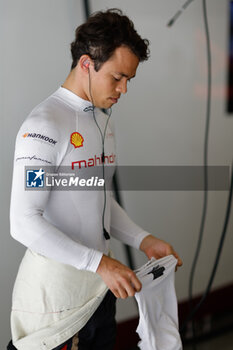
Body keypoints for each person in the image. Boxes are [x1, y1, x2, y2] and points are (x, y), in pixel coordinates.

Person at [8, 8, 182, 350]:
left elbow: (95, 197)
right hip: (56, 304)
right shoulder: (44, 126)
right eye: (118, 77)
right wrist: (100, 263)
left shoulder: (101, 120)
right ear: (87, 63)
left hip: (100, 292)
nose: (124, 89)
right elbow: (22, 222)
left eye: (129, 79)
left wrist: (143, 239)